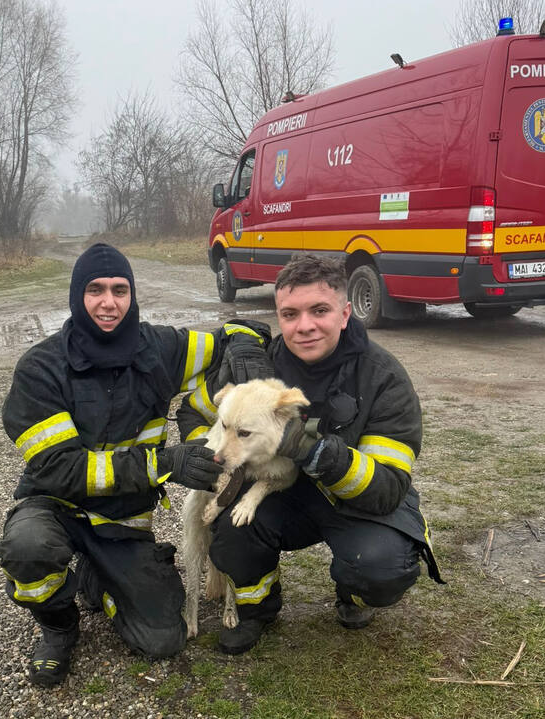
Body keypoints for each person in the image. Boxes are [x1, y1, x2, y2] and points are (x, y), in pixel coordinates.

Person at [0, 243, 270, 686]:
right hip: (54, 507)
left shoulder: (158, 347)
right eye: (95, 290)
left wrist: (247, 346)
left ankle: (94, 580)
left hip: (122, 518)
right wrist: (165, 463)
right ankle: (58, 626)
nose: (109, 302)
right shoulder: (41, 368)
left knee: (163, 639)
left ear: (132, 294)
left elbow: (233, 335)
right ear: (76, 296)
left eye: (120, 290)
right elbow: (60, 469)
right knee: (28, 548)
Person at [177, 254, 444, 655]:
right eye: (289, 314)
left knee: (382, 566)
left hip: (352, 501)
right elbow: (195, 410)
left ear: (345, 312)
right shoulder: (258, 367)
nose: (304, 326)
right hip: (281, 494)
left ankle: (352, 595)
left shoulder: (383, 378)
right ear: (279, 317)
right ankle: (258, 609)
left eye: (319, 310)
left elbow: (387, 488)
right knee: (230, 530)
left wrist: (315, 452)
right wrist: (204, 453)